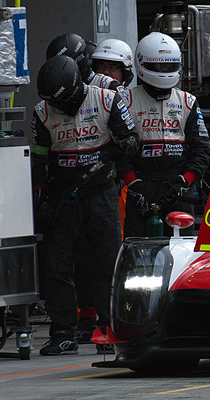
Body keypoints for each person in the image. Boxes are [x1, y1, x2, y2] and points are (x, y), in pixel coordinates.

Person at [31, 55, 138, 355]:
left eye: (63, 102)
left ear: (77, 86)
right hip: (64, 196)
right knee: (57, 265)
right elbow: (39, 158)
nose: (59, 108)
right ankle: (63, 332)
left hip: (102, 192)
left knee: (107, 262)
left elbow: (132, 138)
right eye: (55, 103)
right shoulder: (41, 112)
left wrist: (124, 147)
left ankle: (109, 327)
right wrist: (40, 198)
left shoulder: (108, 99)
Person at [73, 37, 135, 350]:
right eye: (102, 65)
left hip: (116, 184)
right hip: (85, 184)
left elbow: (127, 143)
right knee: (83, 254)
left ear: (126, 72)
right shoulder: (84, 96)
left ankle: (112, 318)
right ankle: (86, 316)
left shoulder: (123, 98)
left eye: (113, 67)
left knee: (111, 254)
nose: (107, 71)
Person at [120, 32, 210, 238]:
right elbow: (119, 149)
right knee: (139, 251)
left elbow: (202, 149)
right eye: (159, 66)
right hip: (140, 187)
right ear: (143, 64)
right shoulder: (126, 100)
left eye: (168, 66)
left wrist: (185, 181)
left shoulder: (187, 101)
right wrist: (133, 183)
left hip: (178, 187)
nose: (164, 71)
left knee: (181, 251)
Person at [46, 32, 129, 104]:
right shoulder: (56, 92)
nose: (105, 71)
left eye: (112, 67)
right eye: (101, 66)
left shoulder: (111, 86)